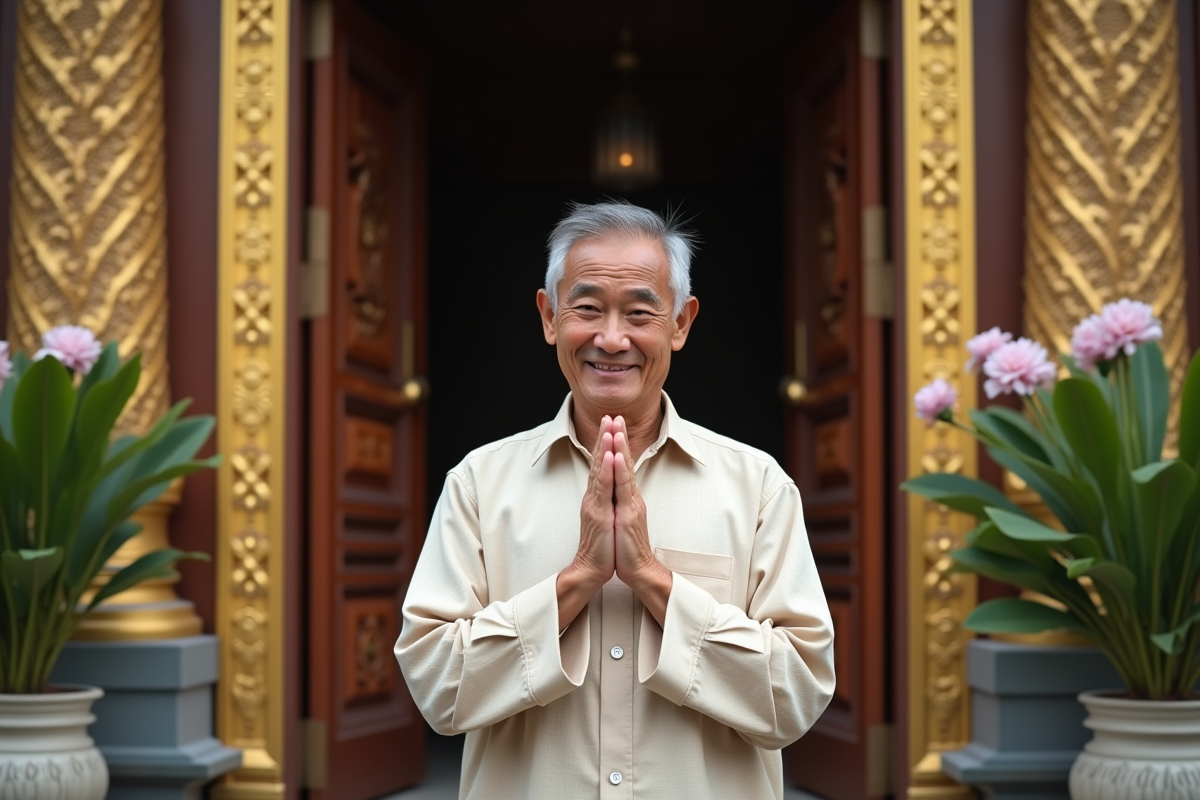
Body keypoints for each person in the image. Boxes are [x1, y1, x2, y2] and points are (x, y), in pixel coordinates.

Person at [396, 201, 835, 799]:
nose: (610, 338)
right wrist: (576, 580)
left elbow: (797, 697)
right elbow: (437, 689)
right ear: (549, 317)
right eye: (586, 308)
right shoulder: (479, 484)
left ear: (680, 323)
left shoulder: (758, 487)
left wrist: (654, 579)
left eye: (639, 312)